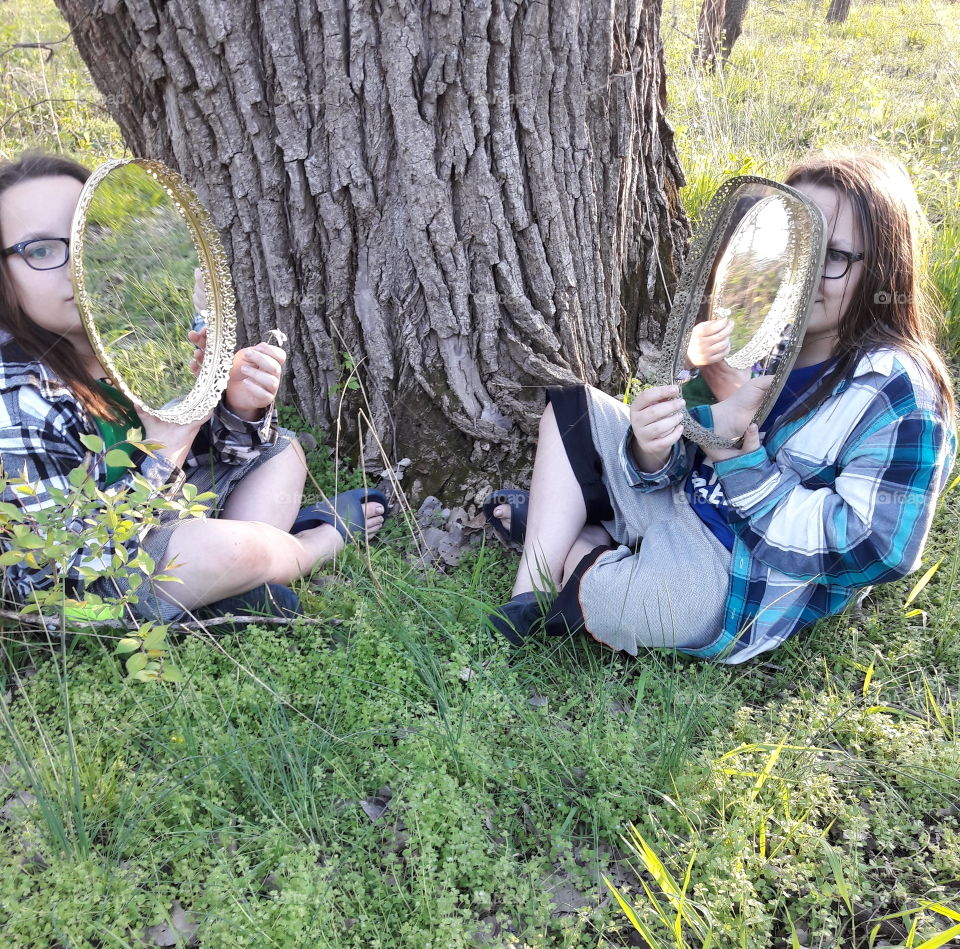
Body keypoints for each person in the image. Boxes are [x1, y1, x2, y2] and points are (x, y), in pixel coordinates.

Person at [486, 149, 956, 663]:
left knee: (651, 607)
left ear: (884, 269)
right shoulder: (764, 335)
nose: (804, 274)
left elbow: (880, 546)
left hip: (736, 570)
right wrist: (651, 446)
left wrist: (738, 458)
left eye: (834, 256)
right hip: (679, 501)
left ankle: (573, 536)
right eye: (798, 247)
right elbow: (683, 449)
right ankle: (530, 591)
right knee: (575, 408)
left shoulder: (897, 393)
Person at [0, 151, 386, 623]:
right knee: (221, 550)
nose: (75, 267)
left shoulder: (126, 336)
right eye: (41, 250)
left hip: (159, 521)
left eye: (84, 237)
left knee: (282, 452)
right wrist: (165, 447)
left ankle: (232, 581)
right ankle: (309, 547)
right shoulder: (16, 395)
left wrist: (236, 407)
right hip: (91, 580)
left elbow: (207, 457)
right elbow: (60, 567)